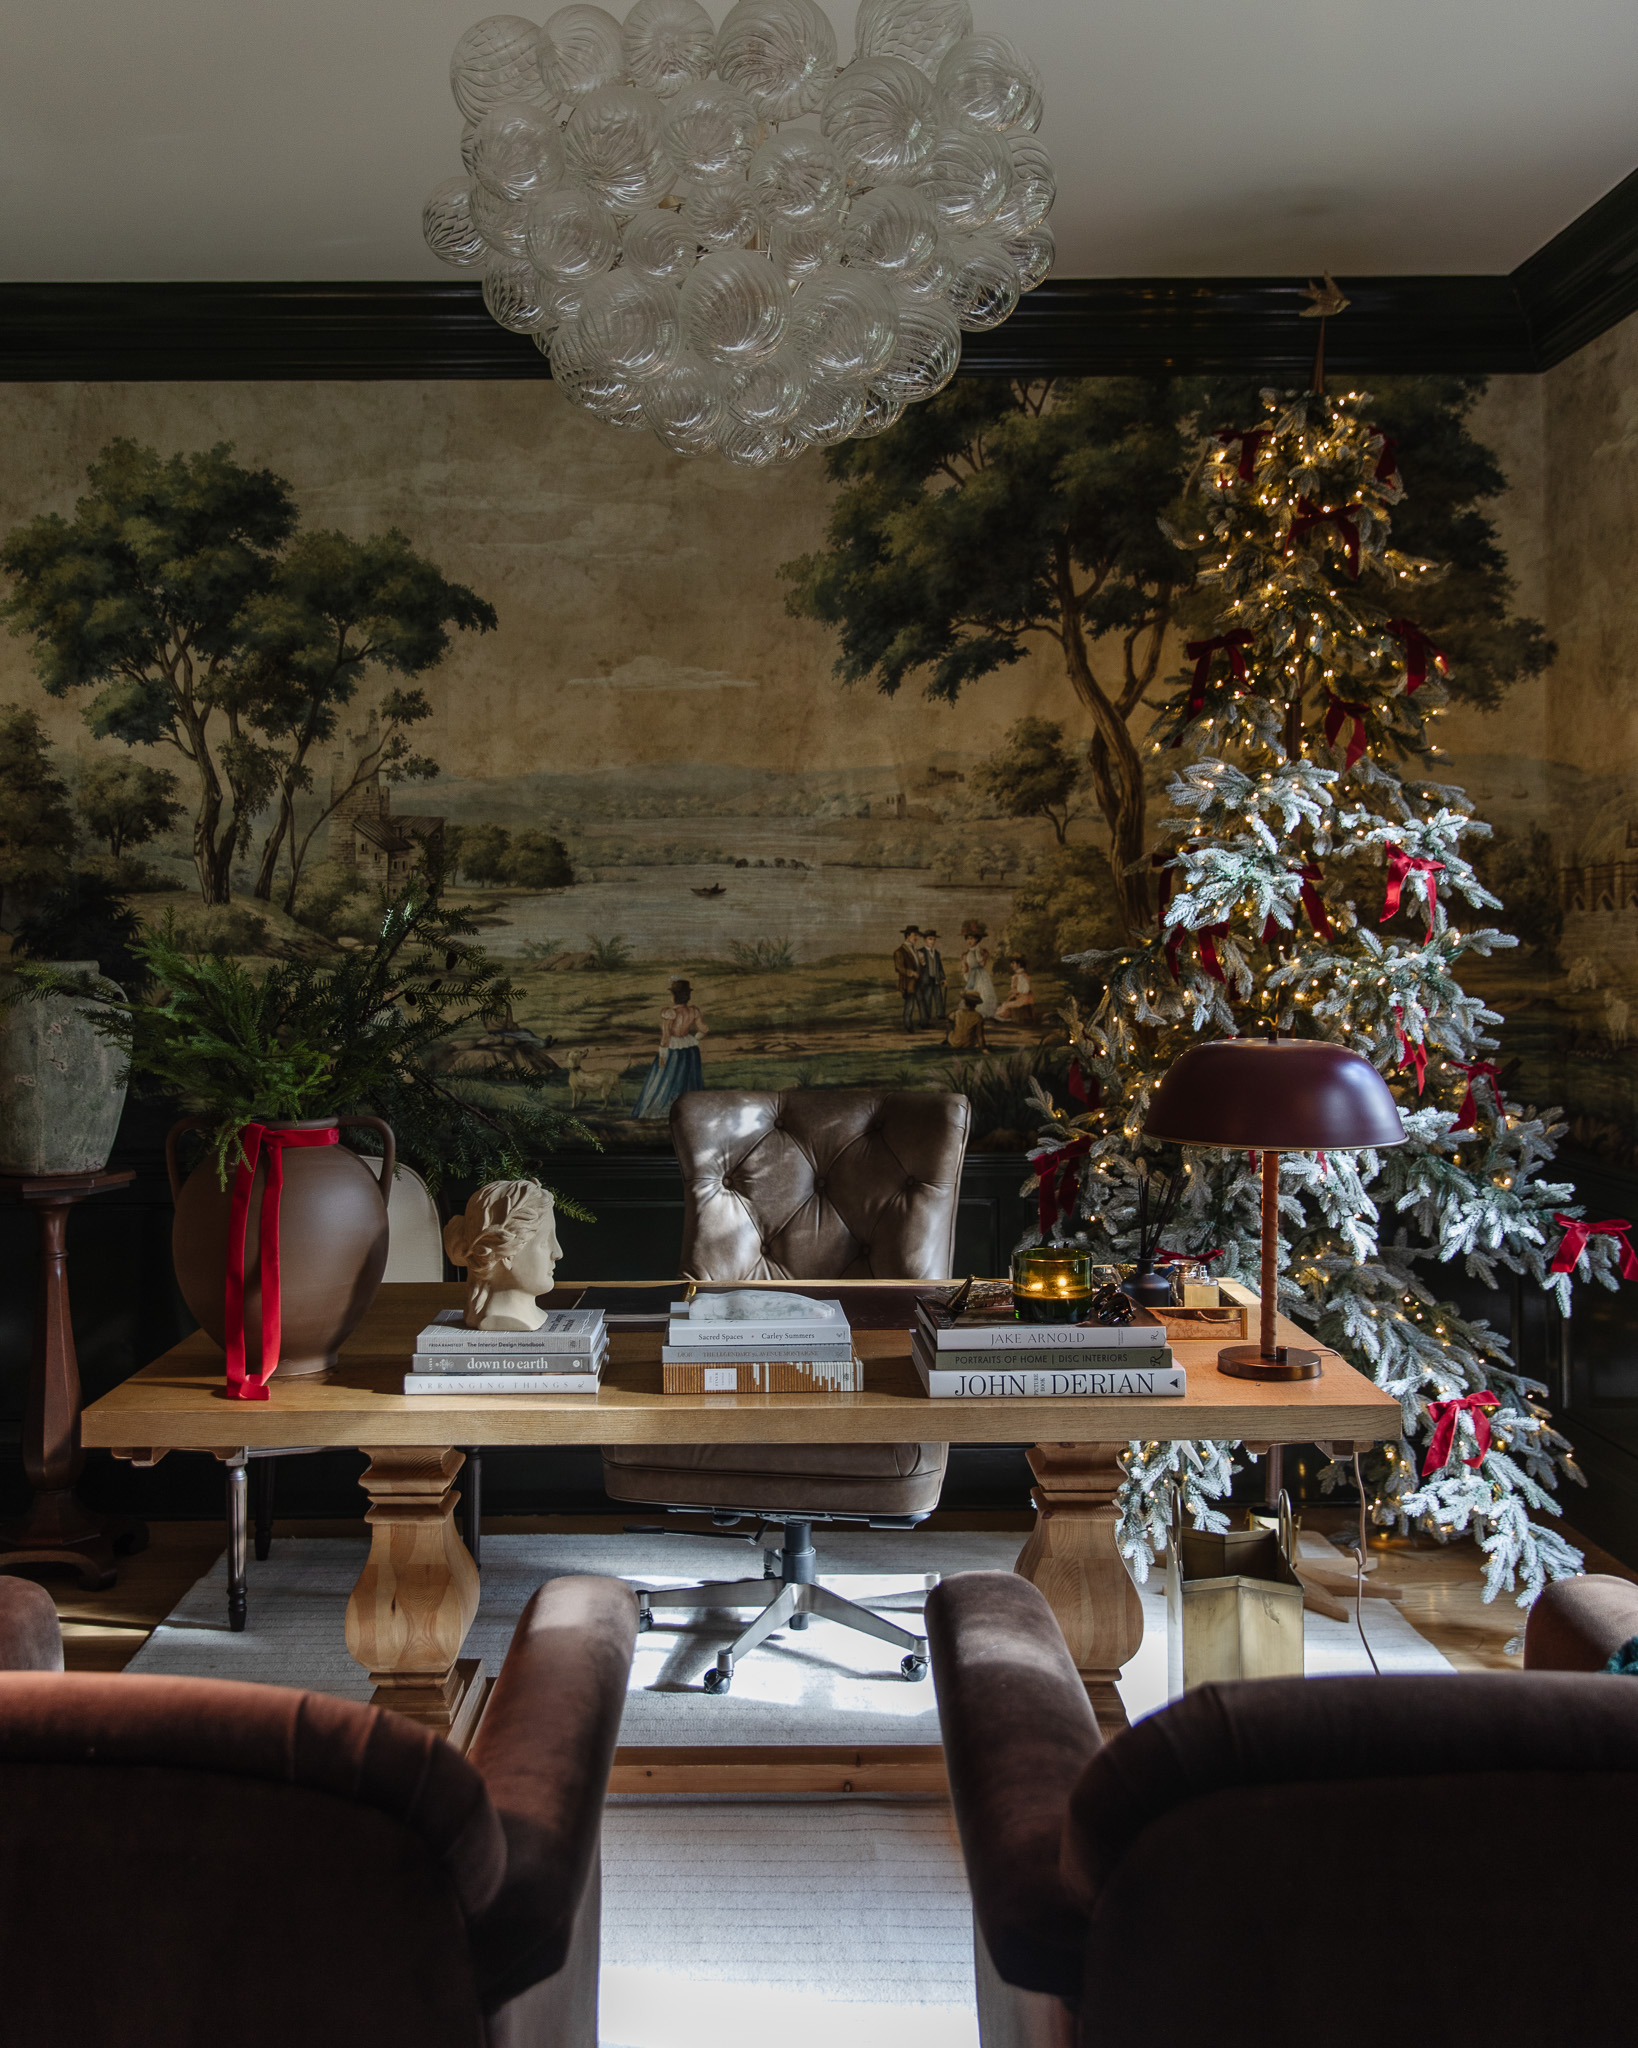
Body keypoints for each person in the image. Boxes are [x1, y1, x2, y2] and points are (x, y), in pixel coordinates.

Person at [631, 977, 709, 1120]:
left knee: (665, 1079)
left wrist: (662, 1056)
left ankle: (664, 1111)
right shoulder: (694, 1011)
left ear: (674, 996)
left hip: (673, 1051)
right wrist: (694, 1039)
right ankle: (687, 1111)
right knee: (687, 1079)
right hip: (690, 1050)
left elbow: (666, 1037)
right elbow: (704, 1029)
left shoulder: (669, 1012)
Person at [960, 919, 998, 1018]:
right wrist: (964, 971)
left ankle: (983, 1012)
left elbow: (981, 963)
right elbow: (965, 967)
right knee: (970, 992)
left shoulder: (982, 951)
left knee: (983, 992)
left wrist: (977, 952)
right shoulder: (965, 954)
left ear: (977, 939)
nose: (969, 941)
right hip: (972, 975)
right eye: (967, 938)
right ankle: (971, 1012)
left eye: (971, 938)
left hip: (980, 975)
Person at [893, 926, 924, 1032]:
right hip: (909, 982)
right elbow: (899, 968)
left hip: (917, 982)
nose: (916, 938)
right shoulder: (900, 951)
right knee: (910, 1004)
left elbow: (917, 965)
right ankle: (908, 1026)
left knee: (920, 1001)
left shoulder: (915, 949)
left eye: (917, 935)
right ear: (907, 936)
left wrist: (922, 964)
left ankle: (923, 1023)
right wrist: (911, 973)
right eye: (914, 935)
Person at [997, 955, 1035, 1023]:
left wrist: (1016, 991)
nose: (1011, 965)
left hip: (1024, 999)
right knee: (1005, 1003)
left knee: (1006, 1005)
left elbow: (1026, 990)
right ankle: (1003, 1016)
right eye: (1011, 963)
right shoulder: (1016, 976)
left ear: (1019, 964)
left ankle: (1002, 1017)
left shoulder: (1022, 976)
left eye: (1013, 963)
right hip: (1019, 997)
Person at [921, 927, 948, 1024]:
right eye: (930, 939)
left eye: (934, 939)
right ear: (925, 940)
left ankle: (940, 1015)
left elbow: (940, 967)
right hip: (926, 980)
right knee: (927, 998)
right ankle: (927, 1017)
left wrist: (943, 978)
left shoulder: (936, 953)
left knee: (938, 997)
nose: (932, 941)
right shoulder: (920, 952)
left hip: (936, 979)